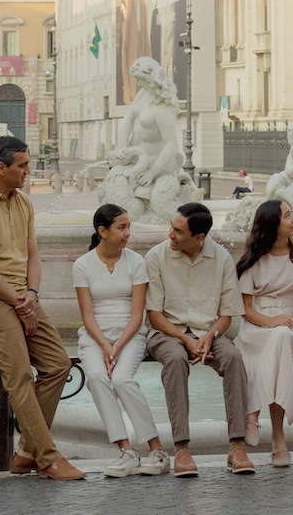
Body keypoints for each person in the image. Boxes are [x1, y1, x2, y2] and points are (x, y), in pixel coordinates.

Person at [0, 135, 84, 480]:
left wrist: (32, 293)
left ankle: (27, 450)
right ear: (1, 168)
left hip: (22, 298)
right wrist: (18, 302)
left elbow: (33, 255)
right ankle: (48, 457)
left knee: (58, 364)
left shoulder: (24, 203)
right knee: (20, 378)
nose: (29, 170)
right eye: (23, 165)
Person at [144, 202, 254, 476]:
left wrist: (210, 334)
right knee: (176, 358)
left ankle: (237, 445)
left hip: (209, 331)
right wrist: (186, 339)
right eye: (172, 226)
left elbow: (228, 315)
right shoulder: (156, 256)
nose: (171, 234)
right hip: (168, 331)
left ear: (199, 237)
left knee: (234, 358)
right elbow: (155, 315)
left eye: (178, 231)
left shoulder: (222, 259)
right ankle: (181, 448)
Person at [72, 204, 168, 477]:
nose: (128, 233)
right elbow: (87, 315)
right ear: (102, 231)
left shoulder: (136, 261)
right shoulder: (83, 265)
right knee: (97, 378)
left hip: (130, 333)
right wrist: (104, 344)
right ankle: (126, 451)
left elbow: (138, 314)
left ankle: (158, 450)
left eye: (129, 227)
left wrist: (118, 345)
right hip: (95, 336)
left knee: (122, 379)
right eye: (122, 227)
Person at [235, 198, 293, 467]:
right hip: (257, 326)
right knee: (278, 344)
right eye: (287, 216)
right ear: (272, 223)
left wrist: (289, 321)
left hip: (289, 325)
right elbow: (245, 309)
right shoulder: (253, 258)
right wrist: (272, 322)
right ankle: (279, 440)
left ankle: (253, 414)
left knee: (281, 340)